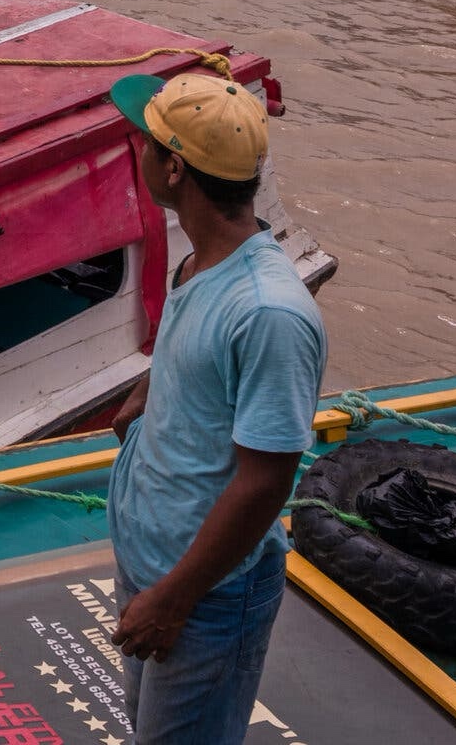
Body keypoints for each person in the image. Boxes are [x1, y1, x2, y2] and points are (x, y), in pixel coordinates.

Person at [104, 71, 327, 745]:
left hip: (202, 595)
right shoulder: (201, 260)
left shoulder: (269, 313)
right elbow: (195, 348)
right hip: (154, 558)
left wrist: (172, 600)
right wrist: (148, 393)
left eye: (143, 141)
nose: (135, 150)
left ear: (173, 168)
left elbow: (266, 480)